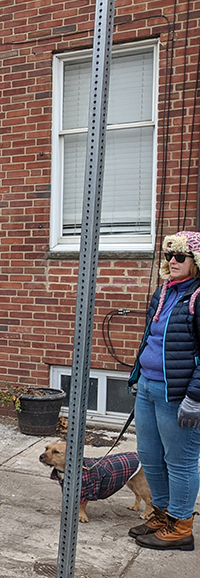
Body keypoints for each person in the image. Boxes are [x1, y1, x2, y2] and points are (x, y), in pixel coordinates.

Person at [128, 230, 200, 551]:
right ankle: (163, 512)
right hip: (148, 386)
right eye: (170, 255)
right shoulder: (162, 293)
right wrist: (136, 374)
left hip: (179, 394)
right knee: (150, 456)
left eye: (181, 257)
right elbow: (149, 338)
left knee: (180, 460)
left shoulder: (198, 297)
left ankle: (182, 525)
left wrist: (196, 397)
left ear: (195, 262)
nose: (172, 261)